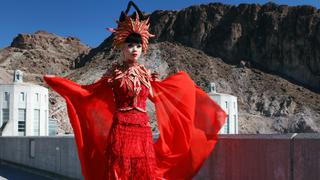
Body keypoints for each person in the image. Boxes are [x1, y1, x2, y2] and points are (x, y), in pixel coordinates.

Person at [43, 1, 227, 180]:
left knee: (143, 170)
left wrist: (181, 89)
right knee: (119, 170)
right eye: (130, 45)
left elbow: (157, 98)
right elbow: (90, 94)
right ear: (121, 46)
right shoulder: (113, 73)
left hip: (143, 130)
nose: (135, 49)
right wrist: (61, 84)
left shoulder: (146, 74)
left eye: (138, 46)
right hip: (121, 129)